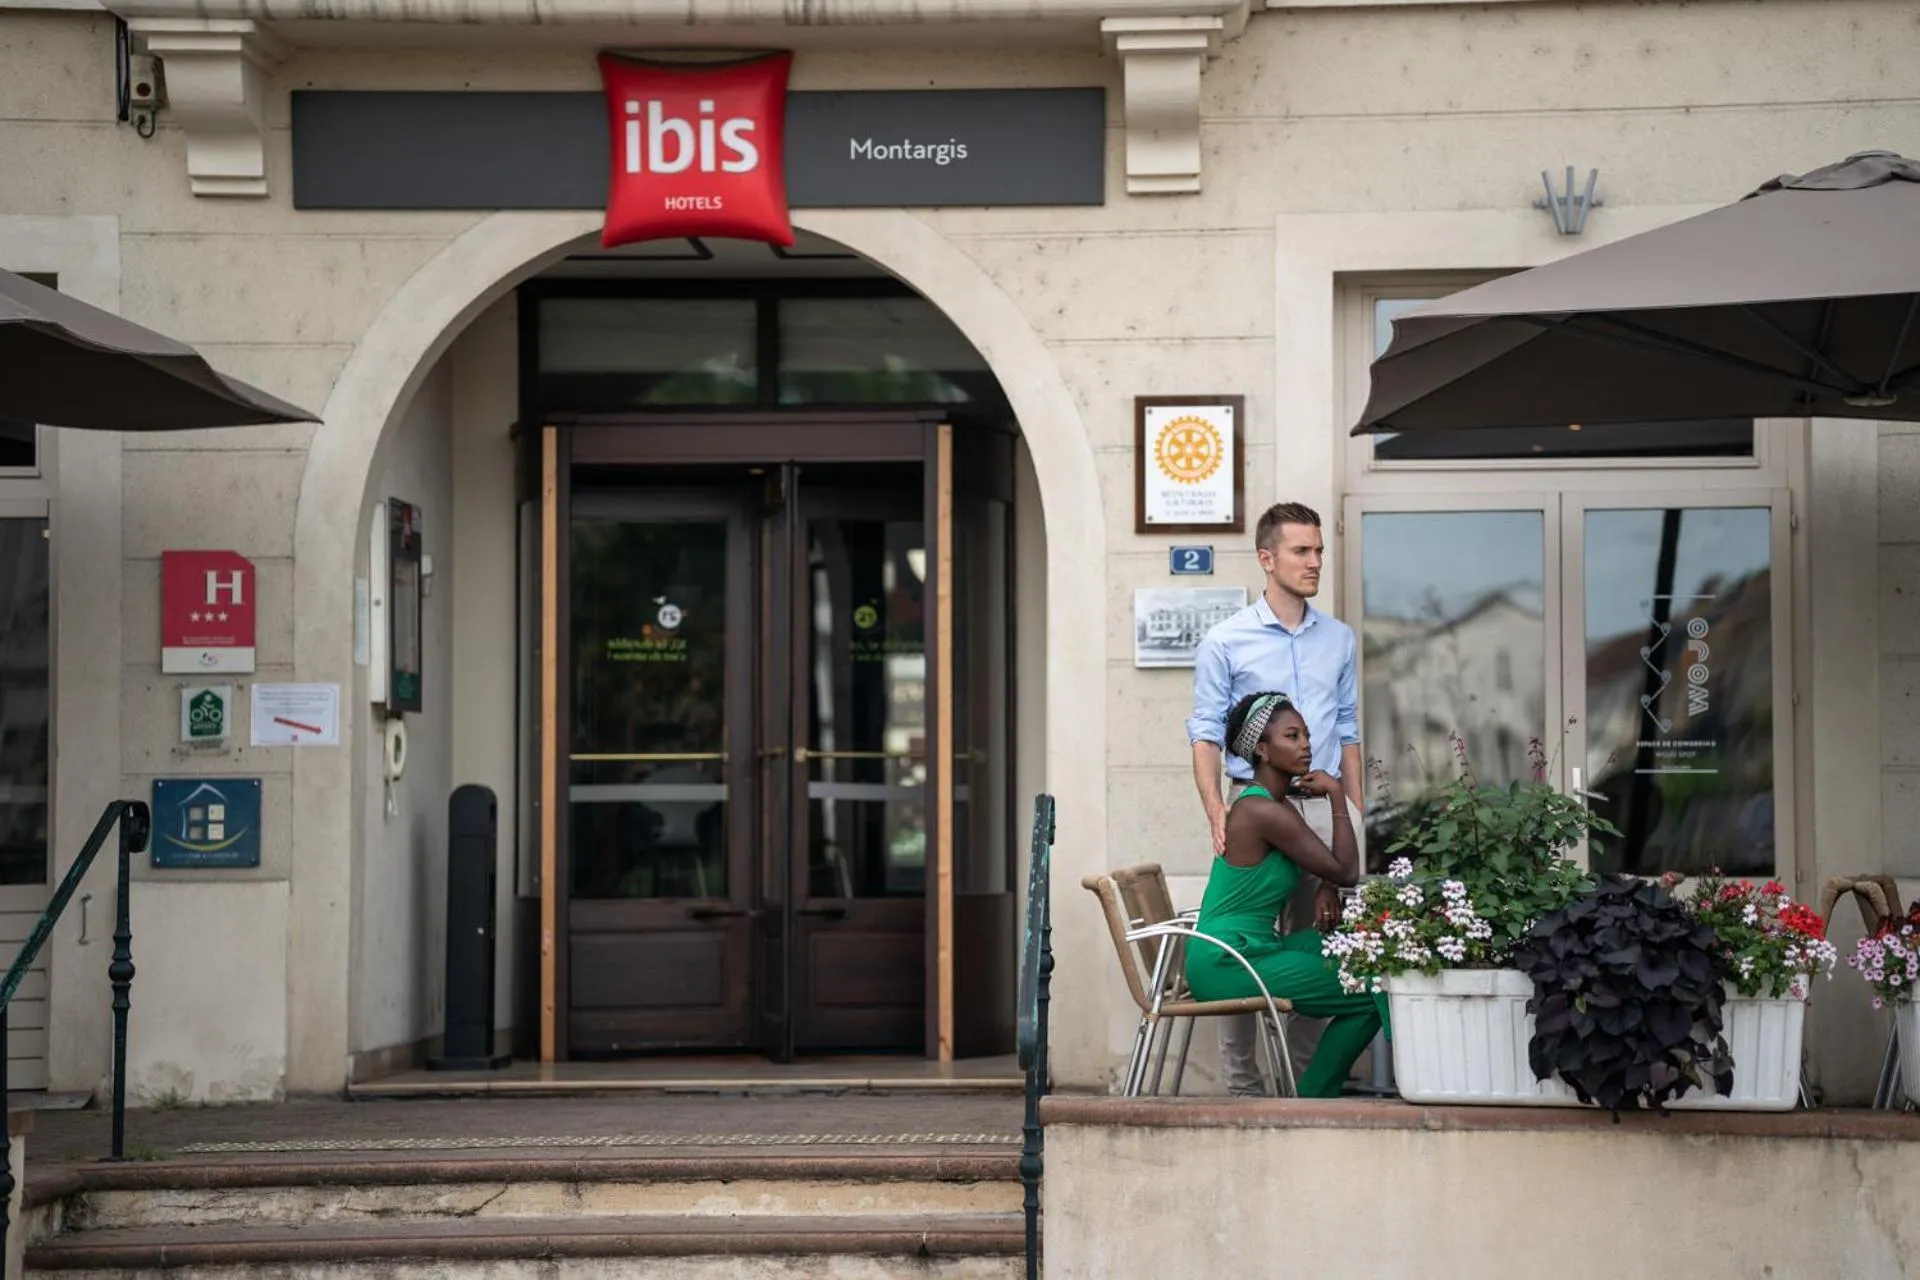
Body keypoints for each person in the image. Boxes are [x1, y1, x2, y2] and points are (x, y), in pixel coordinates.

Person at [1187, 500, 1364, 1095]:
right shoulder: (1225, 640)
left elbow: (1348, 729)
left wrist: (1353, 811)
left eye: (1319, 551)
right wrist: (1217, 810)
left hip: (1323, 803)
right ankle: (1243, 1085)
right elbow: (1206, 733)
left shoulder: (1338, 639)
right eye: (1302, 551)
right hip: (1255, 808)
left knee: (1323, 935)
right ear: (1268, 559)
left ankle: (1302, 1079)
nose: (1315, 562)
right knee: (1245, 942)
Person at [1185, 692, 1385, 1099]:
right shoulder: (1261, 812)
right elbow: (1346, 869)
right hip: (1228, 959)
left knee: (1351, 946)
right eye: (1292, 736)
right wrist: (1335, 794)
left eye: (1307, 735)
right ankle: (1313, 1098)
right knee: (1372, 992)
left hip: (1255, 948)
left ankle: (1310, 1089)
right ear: (1261, 748)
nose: (1306, 745)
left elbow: (1335, 871)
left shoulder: (1279, 807)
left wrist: (1327, 884)